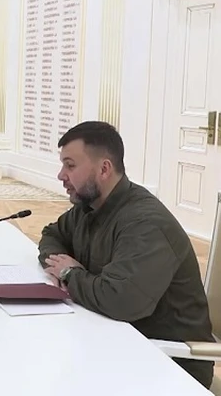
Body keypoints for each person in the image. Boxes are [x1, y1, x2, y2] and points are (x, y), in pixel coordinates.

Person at [38, 121, 215, 388]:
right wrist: (60, 266)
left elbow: (120, 300)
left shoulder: (146, 223)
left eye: (70, 166)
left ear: (104, 169)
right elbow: (52, 235)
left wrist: (69, 274)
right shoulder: (90, 206)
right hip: (117, 343)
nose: (61, 175)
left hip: (168, 364)